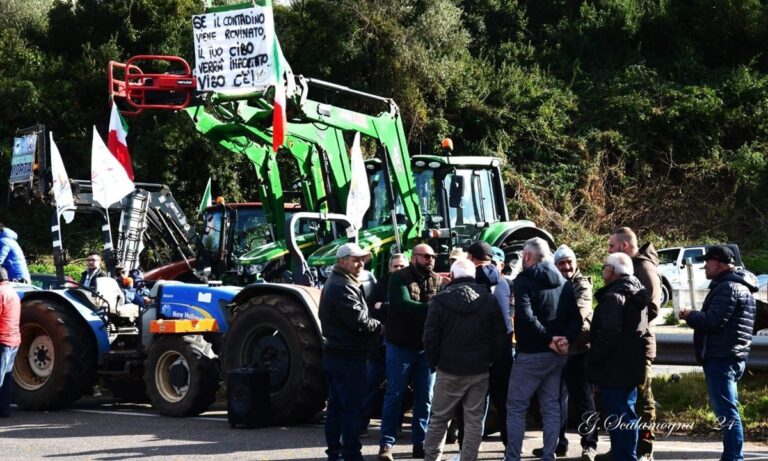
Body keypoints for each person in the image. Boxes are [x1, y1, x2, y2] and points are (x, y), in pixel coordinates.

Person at [422, 258, 508, 461]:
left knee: (439, 419)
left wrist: (435, 363)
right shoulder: (488, 299)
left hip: (448, 368)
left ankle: (431, 458)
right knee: (473, 421)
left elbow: (430, 338)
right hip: (478, 370)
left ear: (451, 276)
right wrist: (489, 360)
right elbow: (499, 335)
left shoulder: (439, 300)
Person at [504, 237, 581, 461]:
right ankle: (549, 455)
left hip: (530, 354)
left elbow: (526, 316)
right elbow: (576, 318)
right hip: (557, 355)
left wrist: (549, 339)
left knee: (517, 407)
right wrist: (565, 340)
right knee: (551, 407)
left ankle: (512, 457)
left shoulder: (523, 281)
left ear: (527, 257)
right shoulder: (563, 282)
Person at [679, 245, 756, 461]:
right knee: (729, 409)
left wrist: (690, 315)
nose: (704, 266)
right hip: (732, 356)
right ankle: (732, 455)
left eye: (707, 261)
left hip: (722, 357)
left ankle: (733, 457)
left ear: (717, 263)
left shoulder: (727, 287)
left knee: (728, 412)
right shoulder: (741, 286)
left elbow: (713, 322)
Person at [378, 243, 443, 461]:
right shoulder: (398, 278)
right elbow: (404, 305)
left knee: (425, 398)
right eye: (425, 256)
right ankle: (386, 444)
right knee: (394, 395)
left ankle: (420, 444)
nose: (430, 260)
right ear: (414, 257)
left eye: (432, 256)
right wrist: (436, 307)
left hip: (425, 348)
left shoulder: (438, 280)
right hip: (400, 346)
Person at [533, 244, 597, 461]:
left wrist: (558, 334)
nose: (566, 266)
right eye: (561, 263)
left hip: (578, 349)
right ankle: (556, 444)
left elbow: (579, 314)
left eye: (569, 262)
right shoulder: (550, 283)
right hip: (556, 350)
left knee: (583, 400)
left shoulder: (582, 284)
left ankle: (590, 445)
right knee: (553, 401)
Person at [319, 242, 382, 461]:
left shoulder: (339, 282)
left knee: (337, 408)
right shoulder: (342, 285)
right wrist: (381, 325)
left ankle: (335, 453)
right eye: (355, 259)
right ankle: (351, 454)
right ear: (341, 261)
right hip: (347, 356)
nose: (360, 263)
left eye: (362, 259)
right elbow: (360, 322)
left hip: (338, 354)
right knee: (351, 409)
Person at [588, 253, 648, 461]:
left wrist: (593, 357)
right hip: (631, 363)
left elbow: (608, 334)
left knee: (619, 414)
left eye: (605, 267)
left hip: (614, 367)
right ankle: (626, 454)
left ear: (611, 271)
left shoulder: (614, 297)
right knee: (627, 412)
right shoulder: (637, 293)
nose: (603, 270)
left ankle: (624, 456)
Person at [608, 227, 660, 461]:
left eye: (611, 246)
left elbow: (651, 308)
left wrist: (628, 325)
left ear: (624, 246)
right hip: (624, 347)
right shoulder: (630, 268)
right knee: (624, 403)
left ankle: (645, 450)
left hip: (639, 346)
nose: (608, 250)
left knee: (642, 401)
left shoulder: (644, 268)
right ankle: (622, 448)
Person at [467, 241, 513, 446]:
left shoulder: (470, 283)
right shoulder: (503, 283)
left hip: (477, 353)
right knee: (504, 402)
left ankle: (468, 450)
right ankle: (510, 449)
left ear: (471, 258)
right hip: (502, 351)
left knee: (472, 406)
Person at [361, 253, 409, 435]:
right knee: (370, 386)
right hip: (379, 347)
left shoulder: (411, 284)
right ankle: (361, 425)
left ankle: (394, 427)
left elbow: (407, 311)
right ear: (390, 268)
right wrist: (391, 308)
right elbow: (371, 308)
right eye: (396, 266)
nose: (399, 269)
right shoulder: (381, 284)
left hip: (402, 346)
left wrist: (386, 306)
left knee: (397, 390)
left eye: (402, 265)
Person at [0, 268, 21, 417]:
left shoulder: (0, 293)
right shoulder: (11, 291)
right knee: (7, 376)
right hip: (13, 339)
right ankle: (4, 409)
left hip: (2, 339)